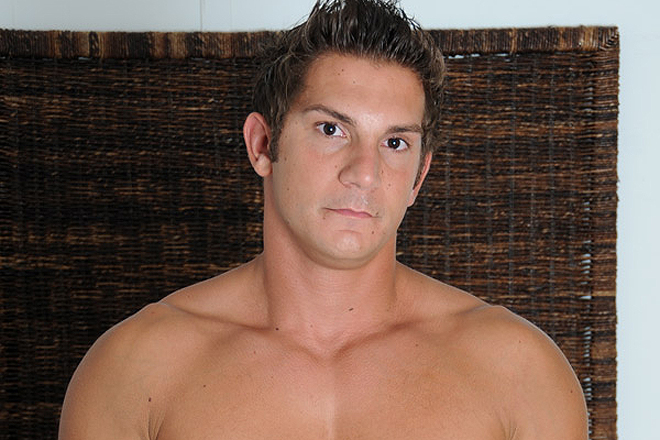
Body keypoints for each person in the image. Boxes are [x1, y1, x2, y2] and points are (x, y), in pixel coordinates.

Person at [59, 1, 588, 439]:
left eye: (395, 142)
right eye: (332, 130)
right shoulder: (135, 372)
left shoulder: (519, 374)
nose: (365, 173)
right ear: (263, 145)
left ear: (419, 177)